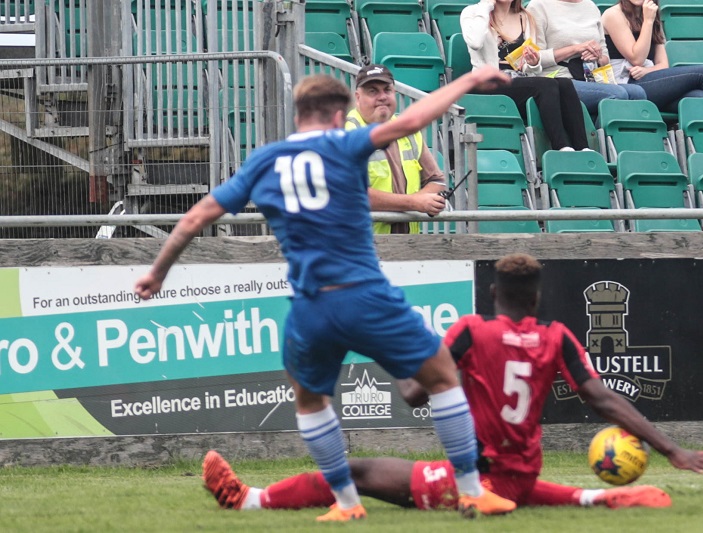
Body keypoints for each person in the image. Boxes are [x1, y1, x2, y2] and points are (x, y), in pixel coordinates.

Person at [134, 67, 517, 522]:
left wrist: (158, 272)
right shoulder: (344, 143)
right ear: (341, 114)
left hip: (310, 306)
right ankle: (472, 491)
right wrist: (468, 82)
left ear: (299, 114)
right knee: (440, 376)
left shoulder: (265, 159)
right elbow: (412, 121)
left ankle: (348, 504)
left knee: (311, 401)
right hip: (364, 293)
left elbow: (198, 216)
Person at [202, 253, 703, 513]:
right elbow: (602, 397)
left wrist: (393, 348)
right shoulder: (557, 335)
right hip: (518, 472)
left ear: (494, 291)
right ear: (536, 299)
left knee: (354, 471)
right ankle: (598, 498)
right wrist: (671, 448)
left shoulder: (471, 331)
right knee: (511, 487)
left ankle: (247, 499)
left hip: (480, 478)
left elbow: (410, 393)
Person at [461, 0, 590, 151]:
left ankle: (583, 148)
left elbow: (529, 68)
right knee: (546, 84)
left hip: (517, 81)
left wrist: (533, 62)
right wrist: (486, 5)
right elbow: (474, 42)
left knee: (564, 84)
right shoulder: (472, 13)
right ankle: (561, 146)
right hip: (486, 83)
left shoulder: (524, 17)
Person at [346, 64, 448, 234]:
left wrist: (426, 201)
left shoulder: (408, 129)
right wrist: (414, 203)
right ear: (357, 97)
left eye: (387, 90)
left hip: (407, 246)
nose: (382, 97)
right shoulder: (345, 133)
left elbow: (437, 181)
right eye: (373, 91)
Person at [602, 0, 703, 113]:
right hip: (626, 85)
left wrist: (647, 71)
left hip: (649, 82)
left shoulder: (650, 14)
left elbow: (663, 64)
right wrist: (648, 22)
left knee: (701, 97)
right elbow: (636, 58)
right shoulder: (614, 15)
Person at [527, 0, 647, 115]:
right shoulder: (538, 6)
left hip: (592, 78)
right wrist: (575, 49)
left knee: (637, 93)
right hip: (559, 79)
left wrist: (597, 56)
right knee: (618, 94)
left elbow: (605, 58)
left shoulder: (590, 6)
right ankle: (596, 134)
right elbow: (534, 59)